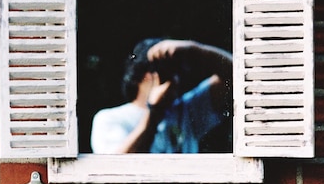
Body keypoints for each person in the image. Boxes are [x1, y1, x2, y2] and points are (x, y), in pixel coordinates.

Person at [90, 38, 232, 154]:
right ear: (142, 75)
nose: (173, 78)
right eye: (163, 69)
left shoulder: (187, 110)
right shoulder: (110, 118)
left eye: (175, 70)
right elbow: (117, 169)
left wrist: (194, 50)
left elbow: (234, 76)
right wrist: (154, 112)